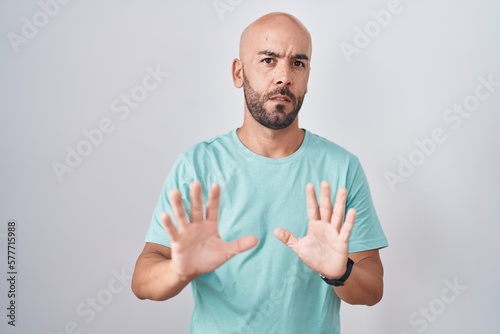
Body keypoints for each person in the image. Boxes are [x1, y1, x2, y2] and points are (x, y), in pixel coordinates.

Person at [132, 12, 388, 334]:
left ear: (308, 75)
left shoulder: (341, 168)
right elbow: (142, 281)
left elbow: (372, 289)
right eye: (269, 60)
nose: (284, 77)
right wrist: (179, 271)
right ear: (239, 72)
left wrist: (340, 272)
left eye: (298, 63)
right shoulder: (197, 166)